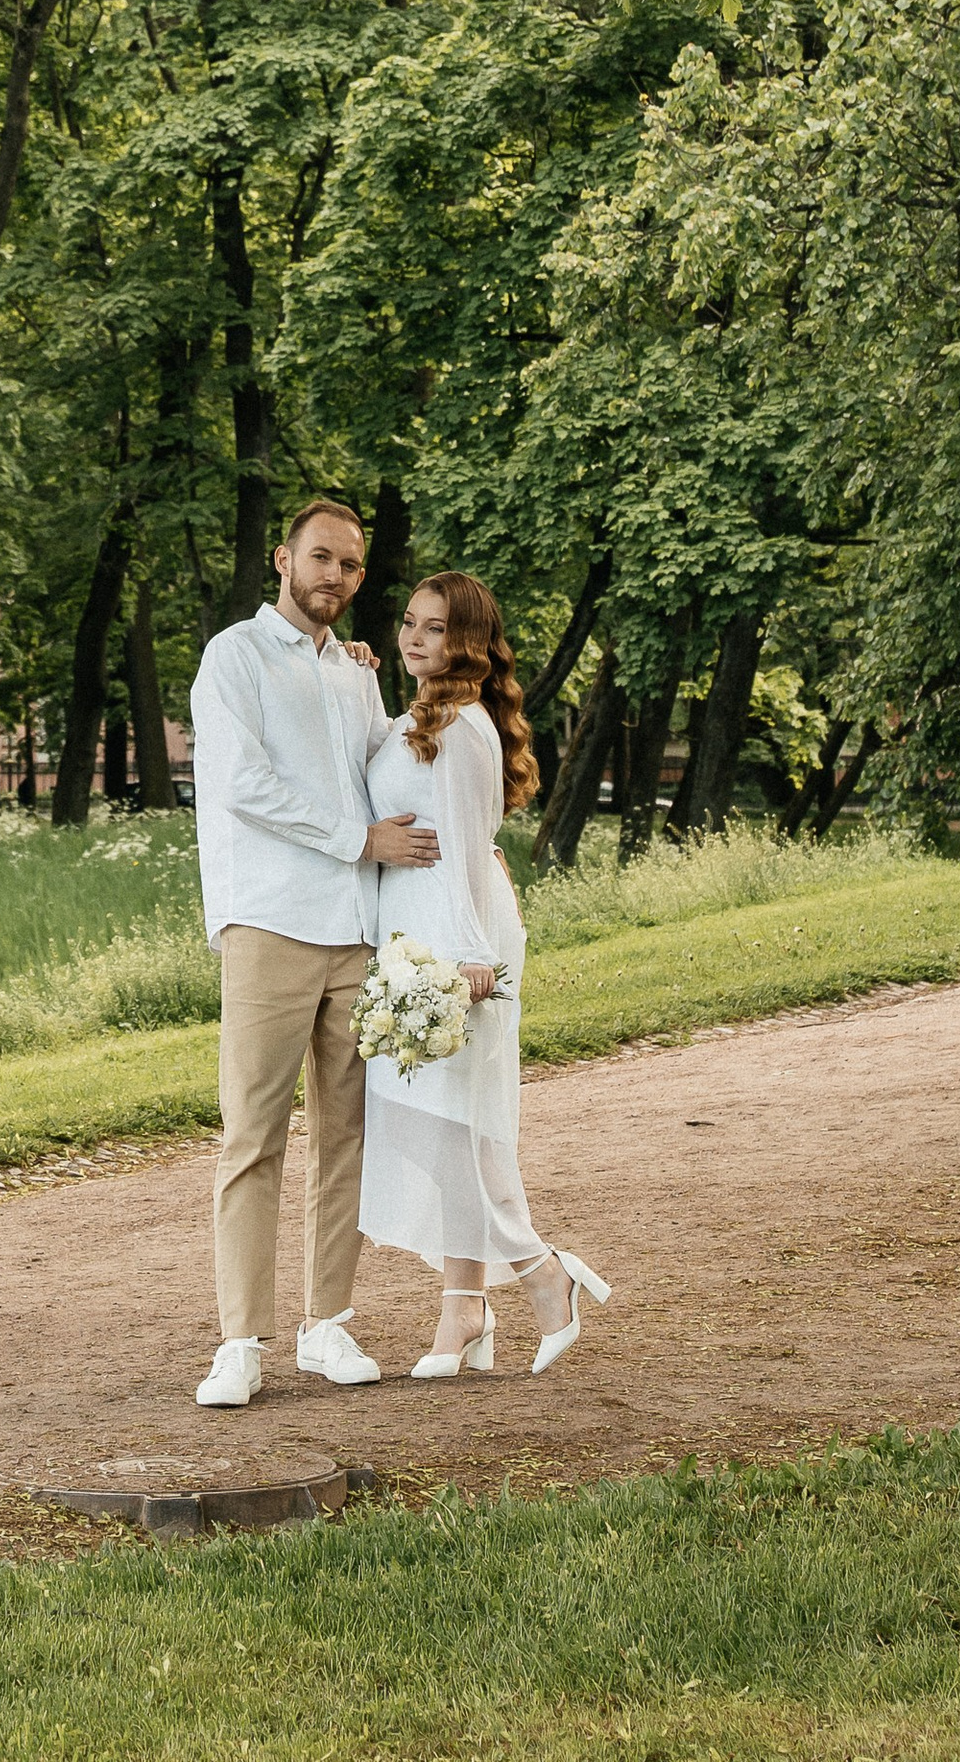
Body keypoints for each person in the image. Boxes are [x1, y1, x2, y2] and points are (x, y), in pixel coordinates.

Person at [188, 499, 441, 1409]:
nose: (335, 576)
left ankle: (326, 1323)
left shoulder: (353, 673)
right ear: (282, 560)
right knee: (252, 1136)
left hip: (357, 932)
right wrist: (357, 840)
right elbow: (242, 784)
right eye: (321, 559)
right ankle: (239, 1342)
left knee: (348, 1136)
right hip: (269, 924)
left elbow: (385, 769)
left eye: (350, 565)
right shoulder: (234, 657)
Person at [359, 570, 610, 1377]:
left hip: (454, 935)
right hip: (415, 930)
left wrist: (473, 958)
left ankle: (543, 1274)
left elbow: (467, 848)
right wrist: (353, 671)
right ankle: (462, 1309)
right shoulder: (418, 717)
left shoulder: (463, 726)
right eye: (408, 622)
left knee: (461, 1124)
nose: (414, 637)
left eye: (434, 628)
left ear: (466, 642)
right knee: (440, 1122)